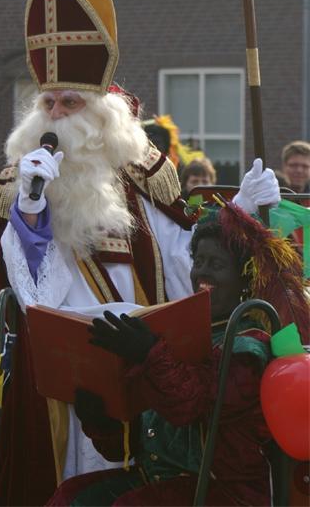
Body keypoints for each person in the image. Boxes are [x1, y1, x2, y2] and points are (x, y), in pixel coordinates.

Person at [0, 0, 281, 506]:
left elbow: (187, 258)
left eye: (71, 104)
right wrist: (31, 209)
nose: (56, 117)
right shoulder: (17, 186)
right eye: (48, 104)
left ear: (100, 112)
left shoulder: (140, 170)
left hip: (145, 363)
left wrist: (239, 212)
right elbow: (19, 288)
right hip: (64, 380)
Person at [47, 201, 310, 507]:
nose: (202, 272)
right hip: (163, 480)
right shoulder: (181, 330)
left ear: (243, 279)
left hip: (223, 491)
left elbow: (187, 405)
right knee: (71, 497)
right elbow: (132, 447)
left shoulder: (248, 346)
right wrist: (100, 419)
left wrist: (149, 352)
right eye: (199, 261)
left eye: (216, 264)